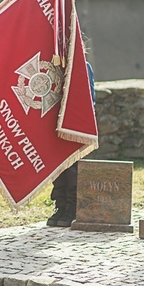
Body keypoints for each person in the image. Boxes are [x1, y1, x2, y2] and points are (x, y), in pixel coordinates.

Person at [46, 59, 96, 227]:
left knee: (73, 167)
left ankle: (72, 207)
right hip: (53, 123)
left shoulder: (83, 67)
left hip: (74, 123)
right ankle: (60, 205)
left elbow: (89, 99)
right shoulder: (52, 67)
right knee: (58, 167)